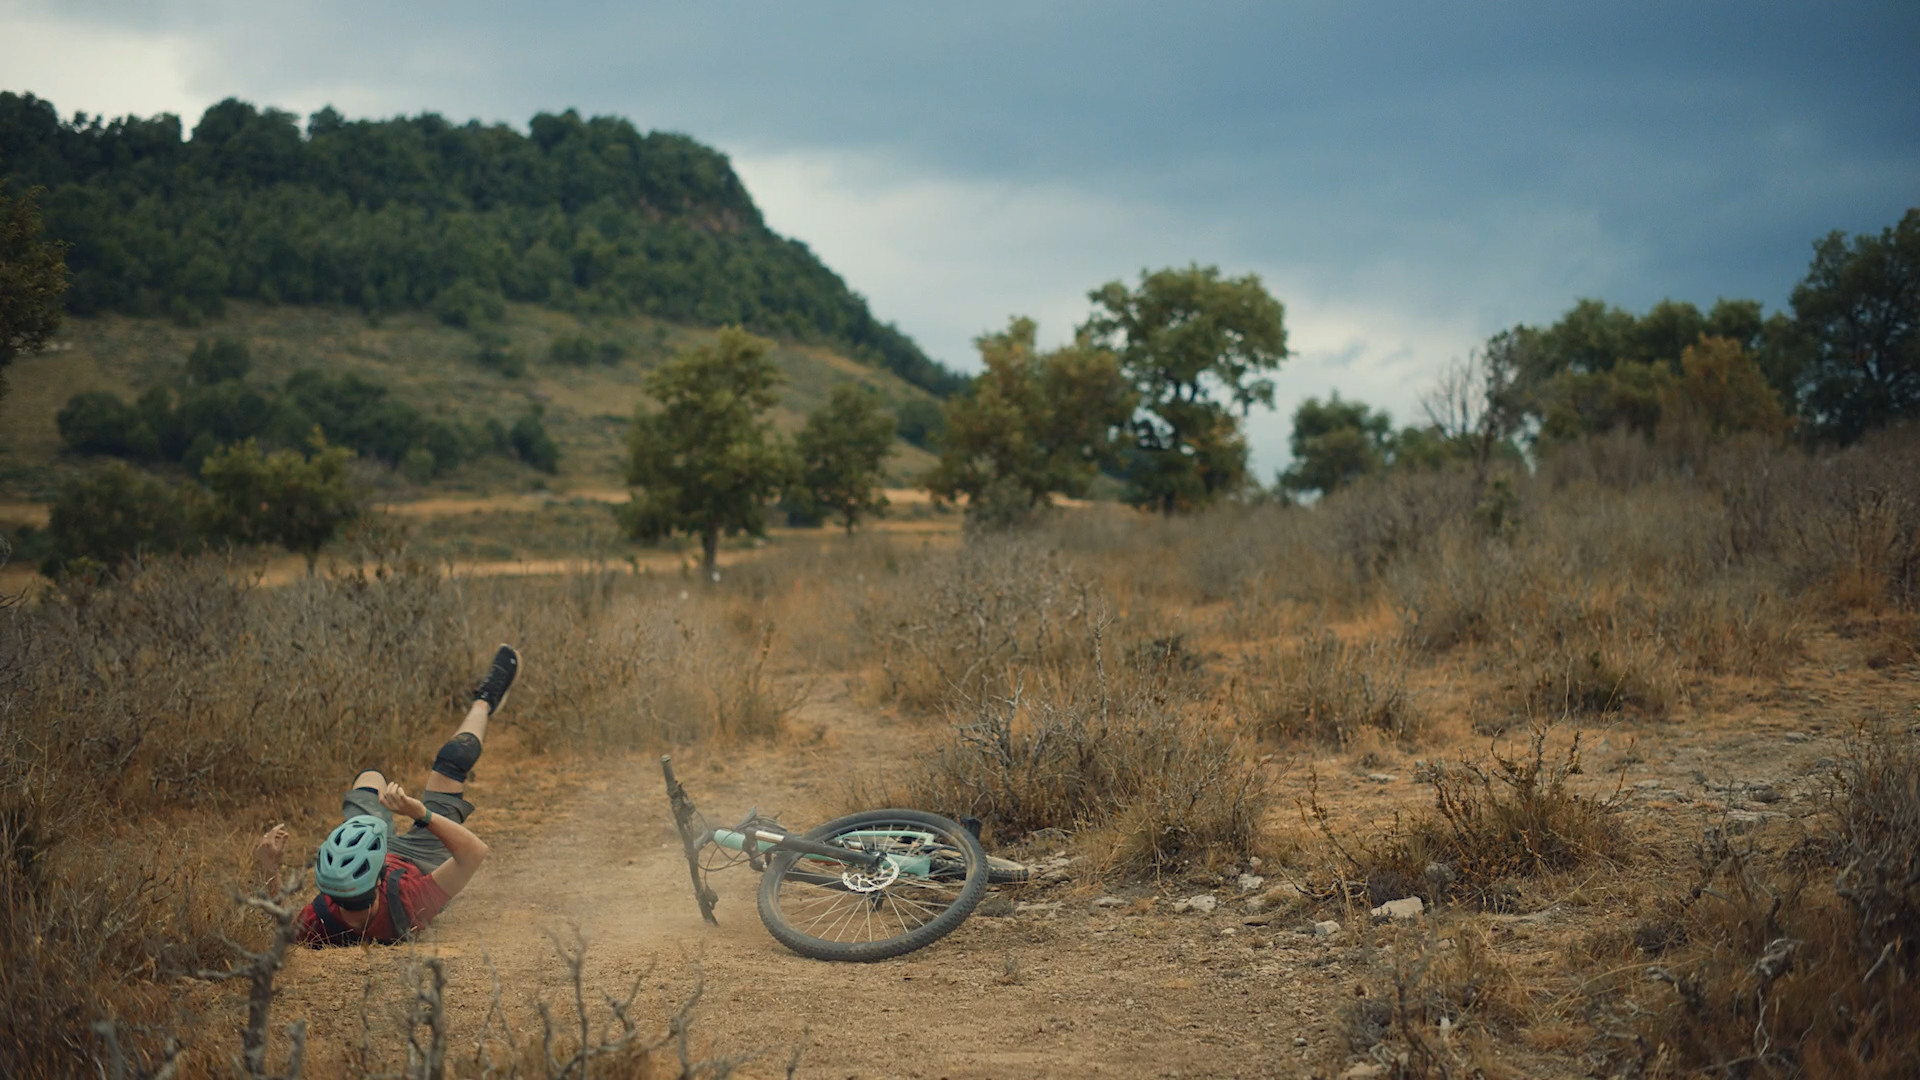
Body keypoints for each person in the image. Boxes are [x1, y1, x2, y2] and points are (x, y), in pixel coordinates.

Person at [252, 644, 518, 945]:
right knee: (453, 759)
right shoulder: (408, 901)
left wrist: (269, 869)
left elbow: (287, 928)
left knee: (369, 778)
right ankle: (484, 701)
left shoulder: (341, 912)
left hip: (373, 843)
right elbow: (474, 853)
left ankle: (480, 704)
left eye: (356, 903)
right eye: (340, 903)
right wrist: (420, 813)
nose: (345, 913)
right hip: (423, 859)